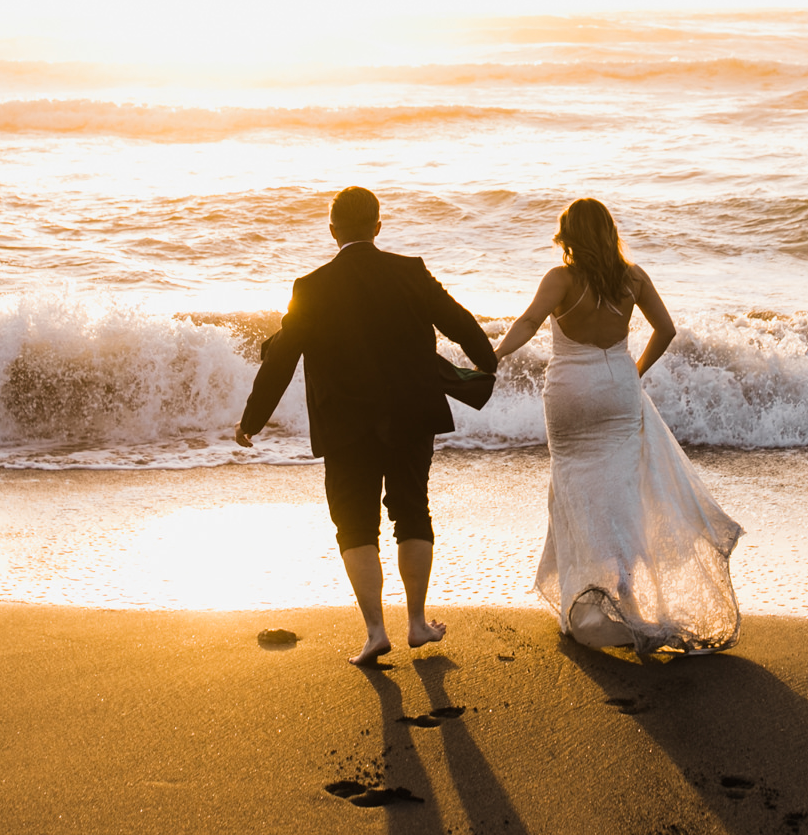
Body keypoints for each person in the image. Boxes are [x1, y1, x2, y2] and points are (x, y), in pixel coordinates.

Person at [235, 186, 497, 665]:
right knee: (412, 510)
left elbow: (281, 360)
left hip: (345, 422)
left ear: (332, 231)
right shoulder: (410, 271)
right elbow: (460, 322)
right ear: (378, 227)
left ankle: (376, 632)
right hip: (412, 414)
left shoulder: (310, 287)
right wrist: (487, 364)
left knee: (355, 523)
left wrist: (252, 419)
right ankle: (417, 623)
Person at [492, 197, 742, 654]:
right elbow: (666, 329)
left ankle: (584, 596)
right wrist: (633, 372)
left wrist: (492, 358)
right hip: (618, 390)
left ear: (568, 236)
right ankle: (624, 589)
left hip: (569, 391)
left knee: (574, 489)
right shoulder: (633, 278)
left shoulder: (560, 279)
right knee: (621, 492)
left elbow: (528, 321)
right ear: (609, 232)